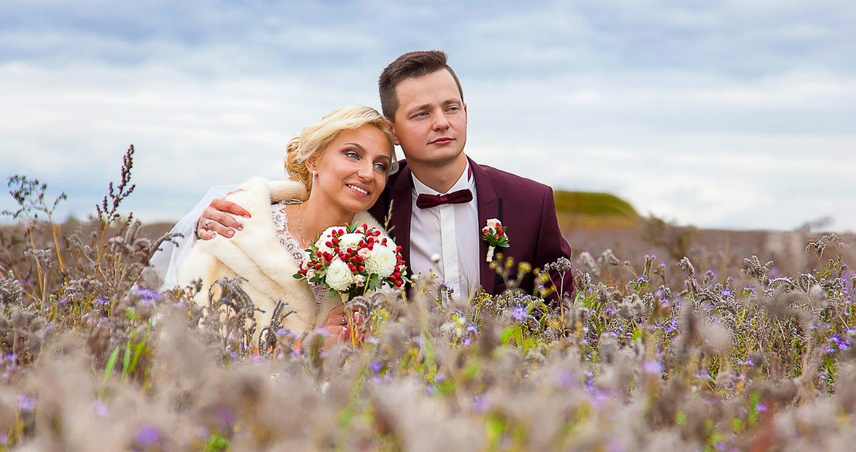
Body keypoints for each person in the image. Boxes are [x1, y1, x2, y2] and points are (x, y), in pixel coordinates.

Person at [182, 50, 573, 299]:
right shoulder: (368, 197)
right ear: (394, 132)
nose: (441, 122)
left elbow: (562, 311)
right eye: (421, 113)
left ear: (466, 113)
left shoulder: (531, 202)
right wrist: (209, 219)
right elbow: (306, 203)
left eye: (451, 108)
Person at [173, 105, 394, 337]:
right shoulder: (235, 231)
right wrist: (312, 346)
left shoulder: (380, 264)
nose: (369, 174)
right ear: (313, 161)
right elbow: (196, 340)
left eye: (380, 165)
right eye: (353, 155)